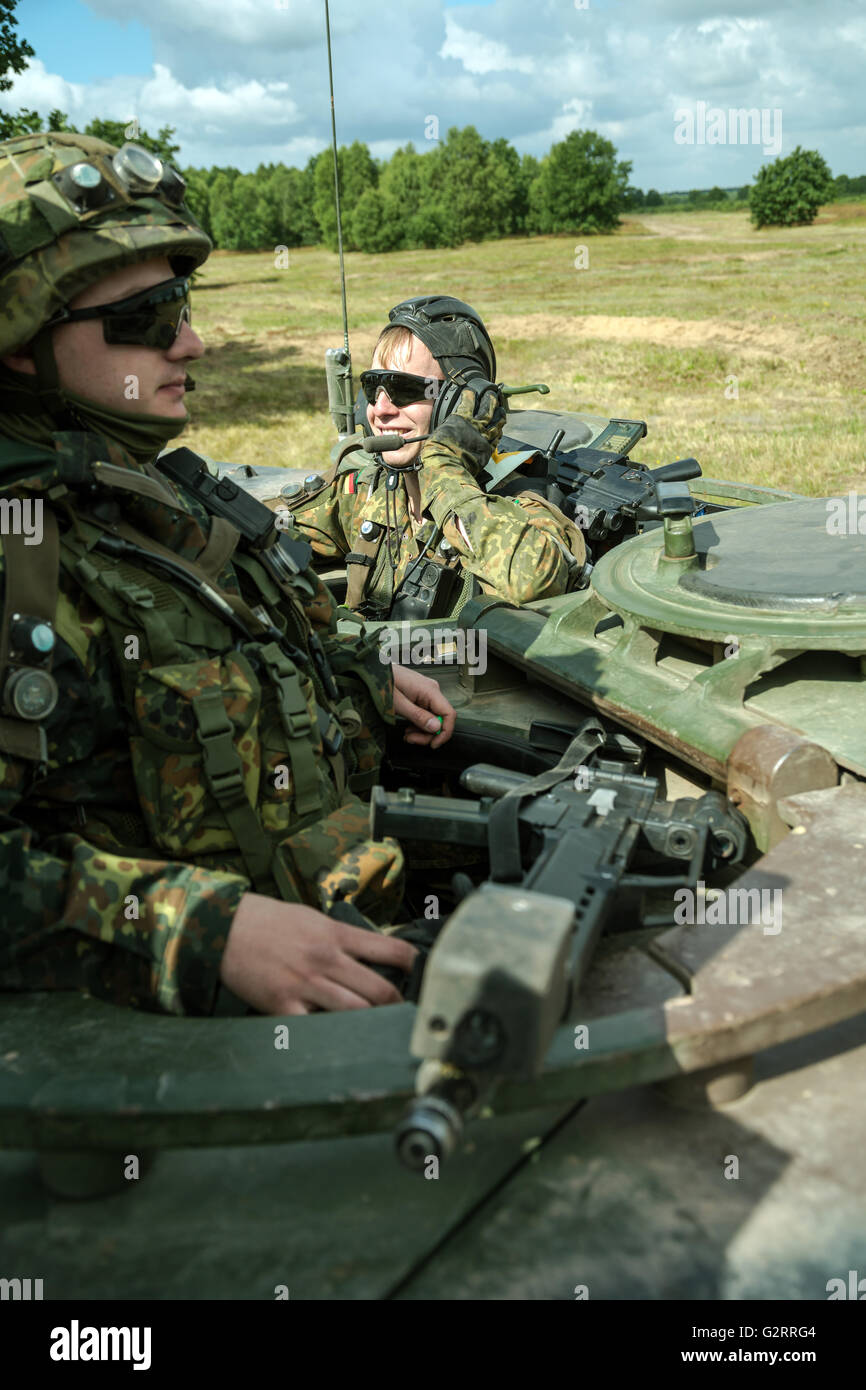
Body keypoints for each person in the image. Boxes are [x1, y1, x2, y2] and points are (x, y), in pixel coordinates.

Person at [0, 130, 472, 1018]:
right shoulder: (23, 555)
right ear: (23, 342)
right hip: (184, 1054)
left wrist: (359, 681)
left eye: (182, 304)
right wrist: (202, 930)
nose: (193, 343)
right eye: (144, 319)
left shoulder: (140, 499)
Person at [272, 296, 588, 620]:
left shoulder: (517, 501)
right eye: (372, 388)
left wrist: (444, 462)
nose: (379, 410)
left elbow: (532, 579)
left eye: (404, 389)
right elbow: (263, 534)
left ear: (457, 403)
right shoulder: (376, 487)